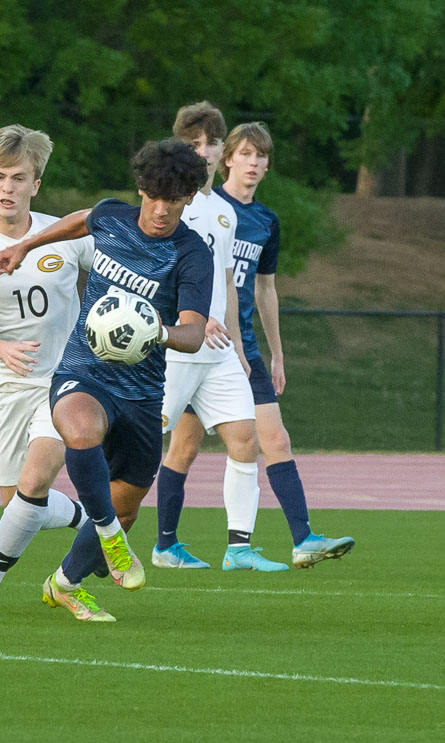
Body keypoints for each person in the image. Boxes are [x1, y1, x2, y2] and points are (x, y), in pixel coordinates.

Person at [0, 138, 213, 622]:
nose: (160, 210)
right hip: (83, 371)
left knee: (128, 505)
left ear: (189, 199)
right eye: (153, 197)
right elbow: (81, 218)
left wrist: (157, 329)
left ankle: (65, 584)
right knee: (80, 430)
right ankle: (112, 539)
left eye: (173, 201)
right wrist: (25, 245)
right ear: (141, 190)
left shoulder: (191, 254)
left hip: (141, 393)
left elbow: (195, 334)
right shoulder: (114, 216)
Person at [162, 122, 354, 569]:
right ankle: (164, 543)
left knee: (271, 439)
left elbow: (264, 289)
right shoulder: (200, 204)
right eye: (245, 154)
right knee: (182, 449)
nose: (253, 163)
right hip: (195, 343)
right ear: (228, 158)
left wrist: (276, 351)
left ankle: (297, 539)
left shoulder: (265, 220)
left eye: (260, 156)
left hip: (238, 347)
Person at [0, 124, 94, 614]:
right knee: (19, 506)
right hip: (10, 386)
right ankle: (94, 517)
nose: (8, 187)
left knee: (36, 479)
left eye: (18, 177)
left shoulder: (65, 236)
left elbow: (116, 269)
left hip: (68, 380)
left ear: (36, 185)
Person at [152, 102, 284, 571]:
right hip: (177, 346)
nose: (203, 152)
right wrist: (190, 317)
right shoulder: (171, 208)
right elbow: (157, 271)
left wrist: (240, 347)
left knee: (245, 438)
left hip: (219, 349)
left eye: (210, 143)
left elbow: (228, 279)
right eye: (194, 144)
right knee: (147, 444)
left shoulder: (222, 212)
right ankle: (130, 537)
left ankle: (239, 548)